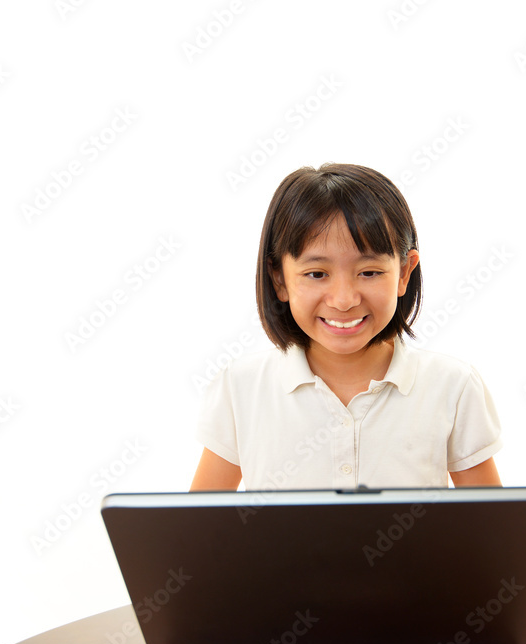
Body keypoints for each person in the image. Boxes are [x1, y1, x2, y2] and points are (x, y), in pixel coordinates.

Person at [190, 163, 502, 491]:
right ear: (279, 278)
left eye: (369, 272)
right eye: (316, 274)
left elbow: (490, 520)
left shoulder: (453, 386)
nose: (343, 300)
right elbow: (200, 520)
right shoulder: (241, 387)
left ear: (404, 273)